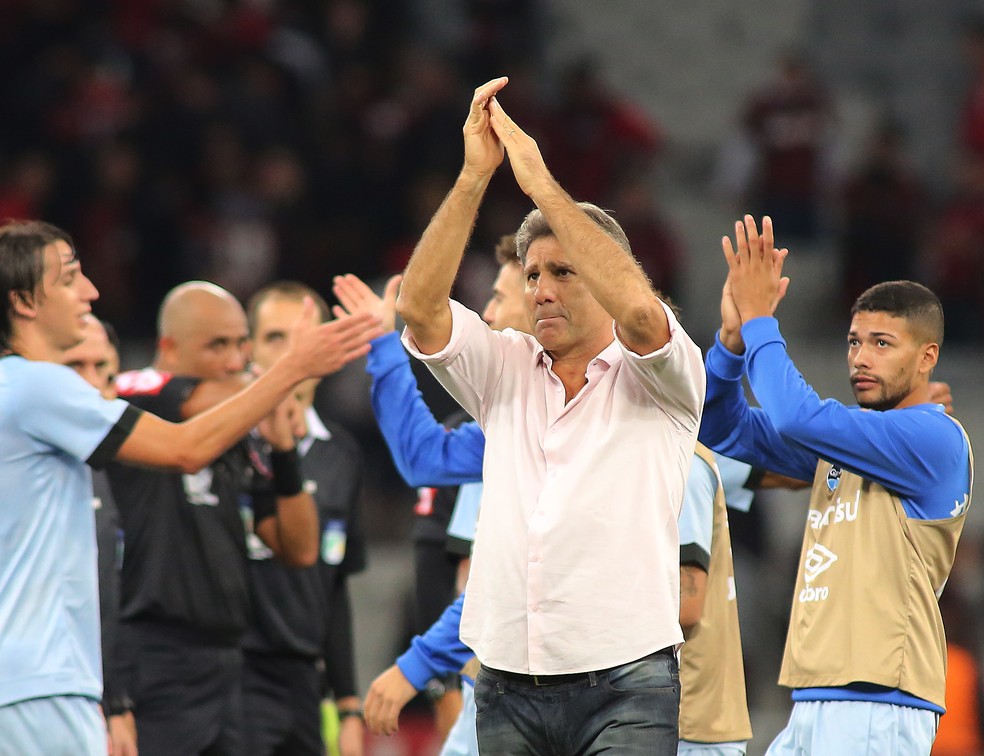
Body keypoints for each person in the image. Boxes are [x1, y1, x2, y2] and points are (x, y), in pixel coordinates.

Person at [395, 76, 705, 753]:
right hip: (505, 682)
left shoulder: (665, 376)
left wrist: (540, 185)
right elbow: (418, 310)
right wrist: (475, 177)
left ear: (606, 275)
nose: (540, 290)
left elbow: (642, 314)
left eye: (563, 272)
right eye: (533, 275)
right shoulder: (503, 366)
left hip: (628, 682)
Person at [0, 220, 380, 755]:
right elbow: (185, 449)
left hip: (64, 676)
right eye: (68, 278)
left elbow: (298, 548)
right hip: (49, 681)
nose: (90, 291)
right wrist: (293, 367)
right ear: (23, 302)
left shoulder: (21, 390)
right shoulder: (41, 386)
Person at [699, 215, 973, 755]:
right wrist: (730, 344)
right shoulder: (849, 443)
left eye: (882, 343)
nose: (861, 357)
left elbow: (795, 416)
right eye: (853, 342)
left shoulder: (934, 437)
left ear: (928, 357)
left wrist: (760, 321)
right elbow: (721, 429)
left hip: (879, 705)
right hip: (815, 697)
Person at [105, 280, 380, 756]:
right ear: (169, 348)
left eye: (239, 345)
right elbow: (196, 402)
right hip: (155, 659)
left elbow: (299, 549)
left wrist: (284, 450)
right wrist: (286, 378)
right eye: (217, 346)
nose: (234, 360)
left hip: (228, 669)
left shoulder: (242, 429)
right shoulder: (134, 394)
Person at [240, 281, 368, 756]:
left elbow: (334, 588)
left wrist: (349, 706)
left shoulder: (342, 454)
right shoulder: (221, 440)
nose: (292, 353)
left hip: (305, 689)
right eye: (275, 338)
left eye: (305, 339)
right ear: (249, 348)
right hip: (230, 677)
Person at [62, 316, 138, 756]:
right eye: (76, 367)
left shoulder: (127, 474)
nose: (92, 385)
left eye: (104, 372)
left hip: (99, 702)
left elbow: (113, 600)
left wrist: (116, 701)